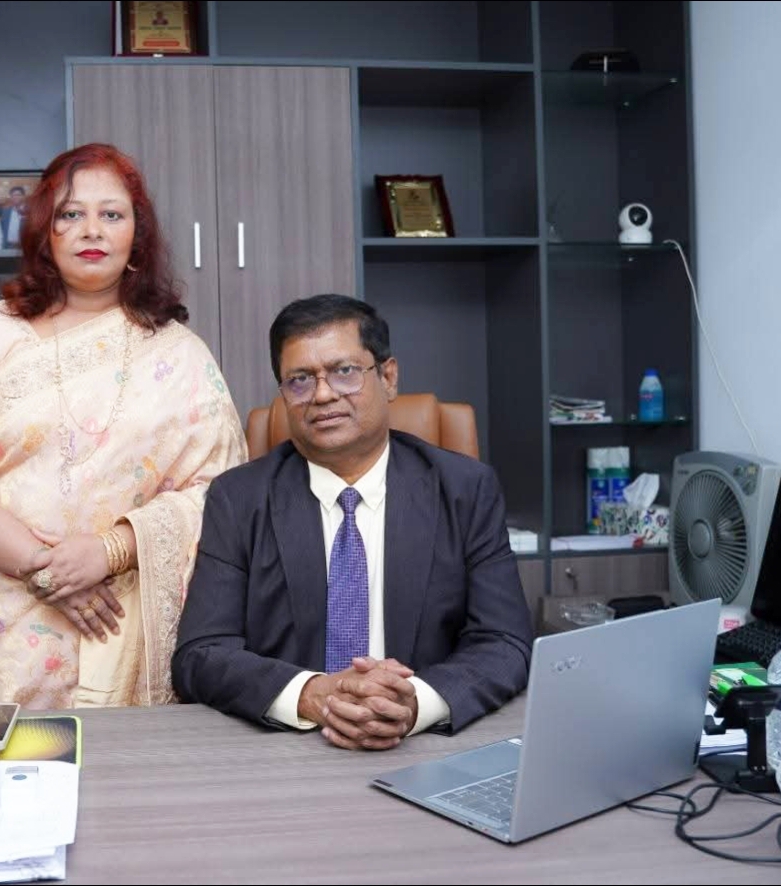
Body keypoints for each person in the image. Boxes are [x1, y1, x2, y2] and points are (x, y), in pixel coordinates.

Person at [0, 142, 245, 710]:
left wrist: (112, 550)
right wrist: (46, 571)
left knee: (135, 766)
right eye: (70, 213)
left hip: (127, 612)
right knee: (20, 761)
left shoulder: (179, 352)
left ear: (137, 236)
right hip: (9, 615)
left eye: (112, 214)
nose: (93, 230)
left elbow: (223, 493)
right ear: (45, 232)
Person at [172, 295, 533, 750]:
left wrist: (415, 703)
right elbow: (201, 654)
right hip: (289, 747)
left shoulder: (465, 489)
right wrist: (312, 695)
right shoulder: (239, 498)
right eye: (300, 380)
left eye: (344, 371)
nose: (323, 395)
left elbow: (504, 641)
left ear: (388, 377)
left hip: (425, 746)